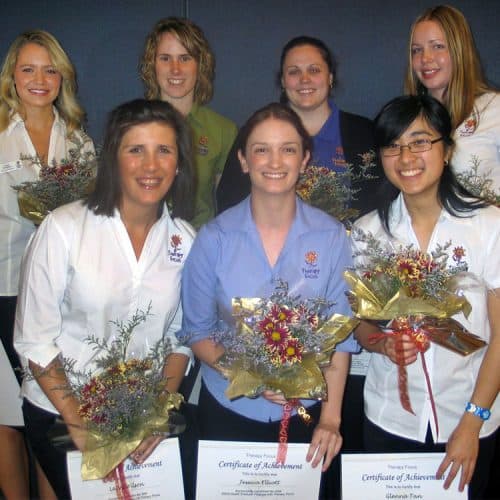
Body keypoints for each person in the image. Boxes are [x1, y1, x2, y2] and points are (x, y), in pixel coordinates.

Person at [14, 99, 196, 498]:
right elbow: (34, 340)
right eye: (136, 150)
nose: (151, 166)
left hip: (142, 421)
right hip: (62, 415)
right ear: (113, 159)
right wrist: (79, 421)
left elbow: (183, 337)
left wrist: (157, 411)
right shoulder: (63, 229)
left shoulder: (185, 239)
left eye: (164, 150)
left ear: (179, 163)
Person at [178, 103, 358, 499]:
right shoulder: (214, 239)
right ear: (242, 160)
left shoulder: (331, 238)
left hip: (308, 417)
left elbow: (340, 339)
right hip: (229, 410)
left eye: (288, 149)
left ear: (305, 158)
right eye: (261, 149)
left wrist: (331, 419)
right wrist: (253, 378)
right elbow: (197, 332)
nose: (275, 161)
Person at [353, 95, 499, 499]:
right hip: (388, 419)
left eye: (420, 142)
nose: (405, 157)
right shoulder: (368, 233)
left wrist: (472, 422)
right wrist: (382, 343)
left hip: (468, 421)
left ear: (447, 149)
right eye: (392, 146)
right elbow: (360, 324)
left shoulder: (488, 225)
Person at [0, 29, 94, 499]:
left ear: (63, 77)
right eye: (28, 69)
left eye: (50, 69)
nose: (40, 79)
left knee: (47, 405)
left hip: (60, 292)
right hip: (4, 285)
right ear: (11, 77)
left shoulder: (78, 140)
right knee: (6, 414)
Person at [217, 35, 382, 219]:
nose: (304, 79)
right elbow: (229, 203)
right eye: (294, 72)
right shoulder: (255, 133)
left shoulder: (366, 134)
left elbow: (382, 206)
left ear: (330, 77)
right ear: (282, 81)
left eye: (314, 70)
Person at [140, 16, 237, 230]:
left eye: (185, 58)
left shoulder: (222, 130)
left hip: (199, 247)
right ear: (152, 64)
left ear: (200, 64)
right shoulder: (131, 125)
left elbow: (230, 208)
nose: (175, 69)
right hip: (142, 247)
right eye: (165, 58)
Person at [405, 5, 500, 192]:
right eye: (417, 50)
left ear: (459, 50)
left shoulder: (494, 108)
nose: (425, 58)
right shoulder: (408, 119)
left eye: (438, 46)